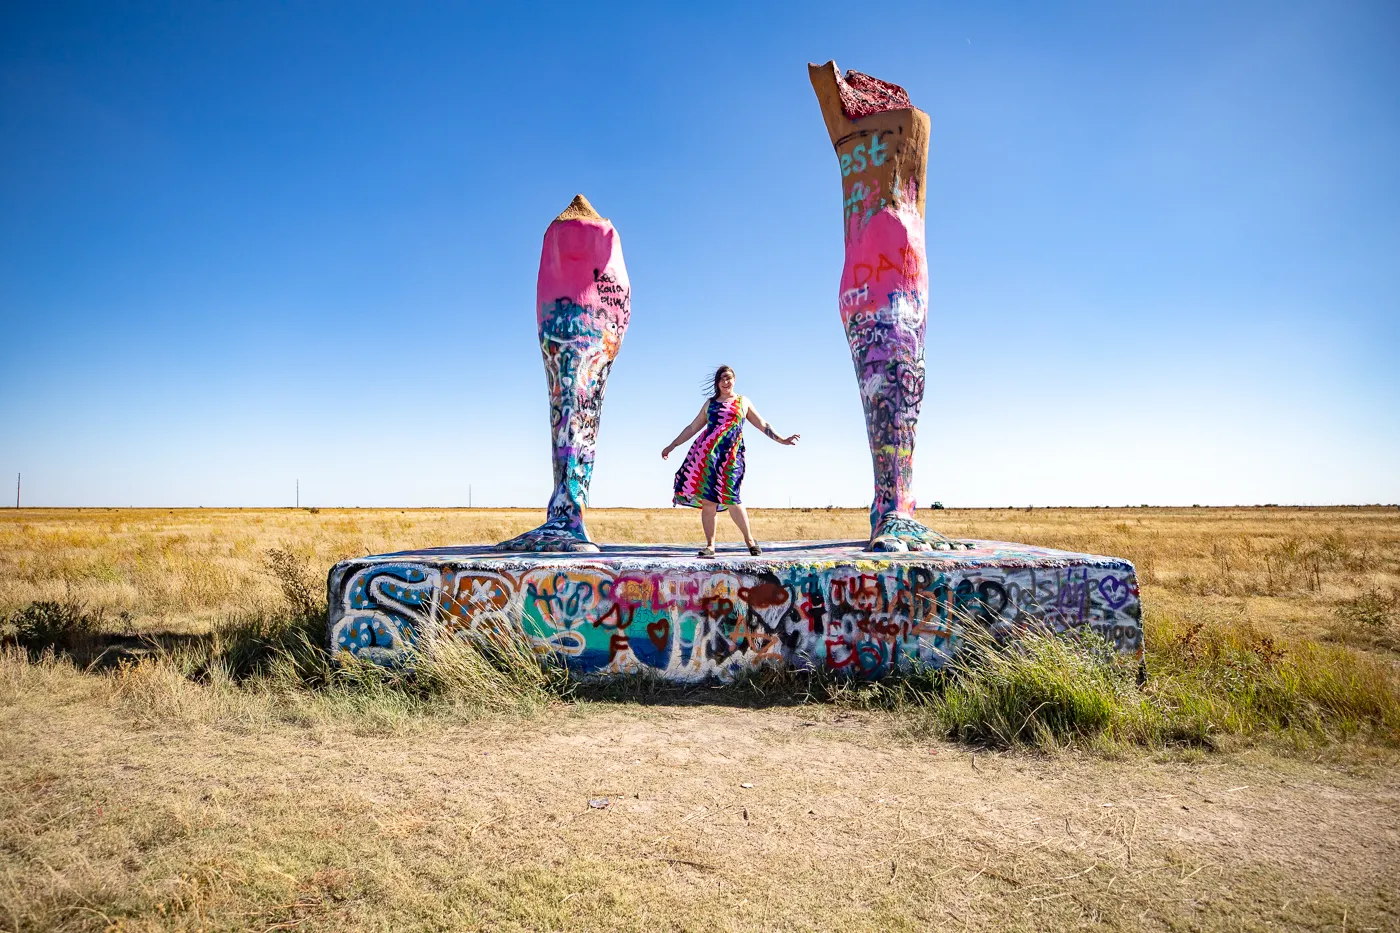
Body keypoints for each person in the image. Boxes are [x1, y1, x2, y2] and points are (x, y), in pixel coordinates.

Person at [662, 365, 799, 557]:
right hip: (707, 456)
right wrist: (672, 445)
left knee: (732, 496)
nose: (726, 382)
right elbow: (692, 427)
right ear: (717, 383)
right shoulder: (710, 404)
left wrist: (782, 439)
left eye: (729, 378)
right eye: (722, 379)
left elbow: (763, 424)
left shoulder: (743, 402)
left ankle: (750, 540)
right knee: (708, 501)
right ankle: (710, 546)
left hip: (732, 456)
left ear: (734, 379)